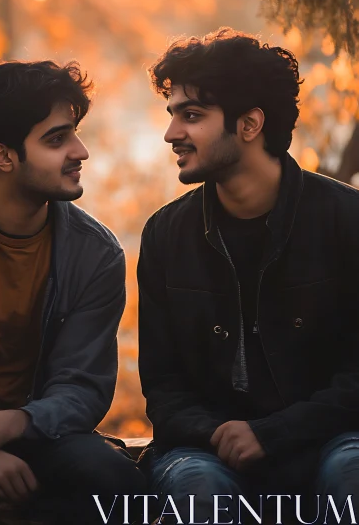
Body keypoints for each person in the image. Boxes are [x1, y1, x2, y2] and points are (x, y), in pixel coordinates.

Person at [0, 59, 146, 524]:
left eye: (74, 132)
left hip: (39, 435)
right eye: (57, 139)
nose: (80, 151)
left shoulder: (96, 254)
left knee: (115, 483)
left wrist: (15, 423)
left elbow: (82, 385)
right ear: (4, 156)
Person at [138, 28, 359, 524]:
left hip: (334, 440)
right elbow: (163, 387)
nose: (172, 134)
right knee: (198, 490)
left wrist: (274, 433)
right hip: (204, 451)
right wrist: (222, 434)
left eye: (191, 116)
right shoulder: (165, 236)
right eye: (172, 115)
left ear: (250, 123)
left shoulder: (346, 221)